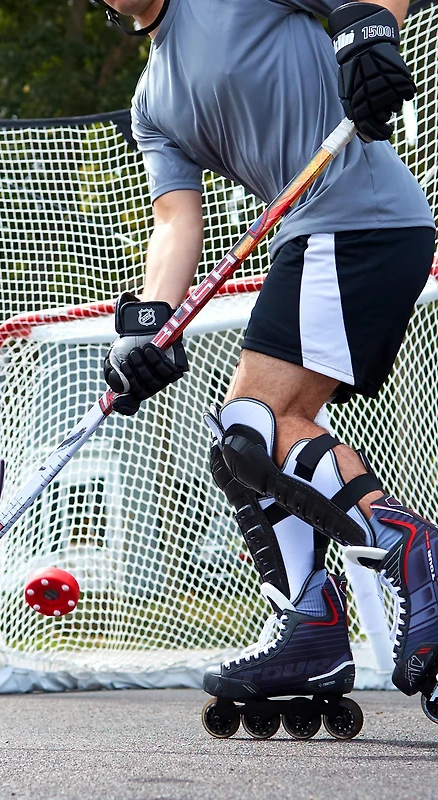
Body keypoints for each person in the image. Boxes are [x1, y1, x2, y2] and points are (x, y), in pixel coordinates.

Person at [98, 0, 438, 732]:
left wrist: (372, 30)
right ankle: (309, 630)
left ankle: (411, 548)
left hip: (356, 214)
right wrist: (150, 327)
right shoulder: (151, 104)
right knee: (241, 448)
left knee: (257, 424)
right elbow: (175, 222)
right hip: (321, 230)